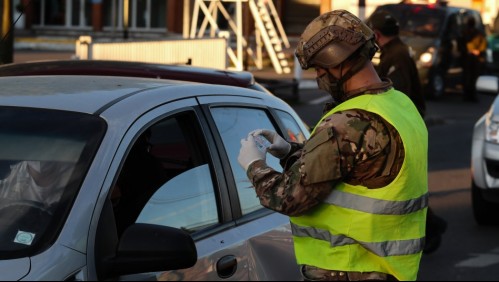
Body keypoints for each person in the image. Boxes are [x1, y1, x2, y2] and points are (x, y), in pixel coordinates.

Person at [238, 9, 428, 281]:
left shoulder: (348, 123)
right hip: (391, 271)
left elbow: (287, 198)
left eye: (319, 68)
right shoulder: (399, 105)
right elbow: (353, 171)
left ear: (336, 61)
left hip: (349, 268)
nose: (319, 78)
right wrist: (289, 152)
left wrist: (253, 165)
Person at [367, 10, 447, 254]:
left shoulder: (397, 55)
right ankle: (429, 226)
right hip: (403, 123)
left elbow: (396, 92)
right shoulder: (396, 51)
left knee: (402, 183)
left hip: (402, 126)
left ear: (377, 34)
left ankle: (432, 226)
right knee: (400, 182)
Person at [462, 16, 487, 102]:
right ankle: (469, 95)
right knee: (470, 77)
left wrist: (477, 51)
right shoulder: (468, 33)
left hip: (472, 58)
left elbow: (482, 44)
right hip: (471, 58)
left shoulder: (467, 32)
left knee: (470, 77)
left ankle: (469, 95)